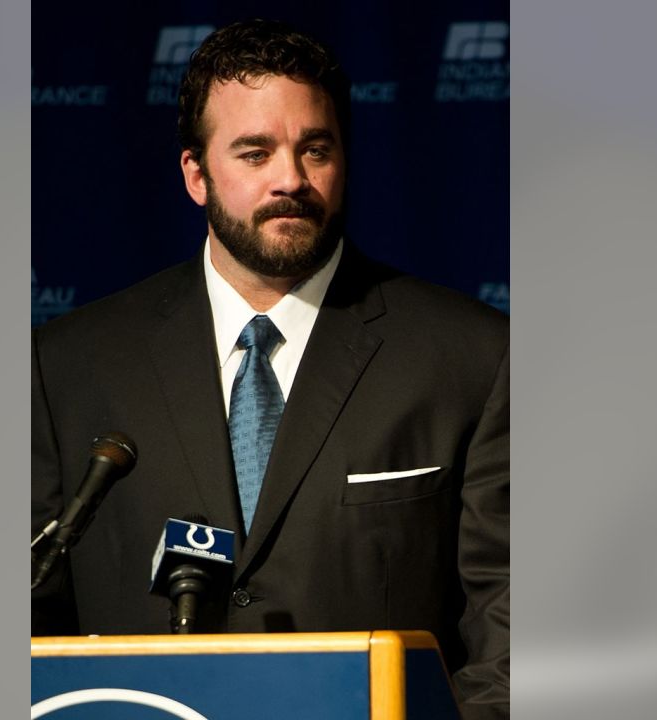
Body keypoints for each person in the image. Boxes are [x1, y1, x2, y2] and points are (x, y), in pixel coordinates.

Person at [32, 19, 509, 718]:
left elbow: (508, 619)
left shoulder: (470, 356)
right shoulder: (69, 365)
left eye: (314, 150)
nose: (291, 179)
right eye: (255, 153)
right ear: (197, 174)